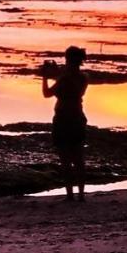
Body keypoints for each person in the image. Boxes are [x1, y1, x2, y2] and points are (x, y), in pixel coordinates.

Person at [42, 46, 89, 201]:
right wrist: (59, 75)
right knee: (78, 158)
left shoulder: (65, 78)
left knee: (65, 159)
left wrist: (45, 77)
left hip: (63, 118)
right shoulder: (83, 78)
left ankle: (70, 195)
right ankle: (81, 194)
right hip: (77, 117)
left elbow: (47, 94)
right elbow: (74, 89)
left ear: (68, 60)